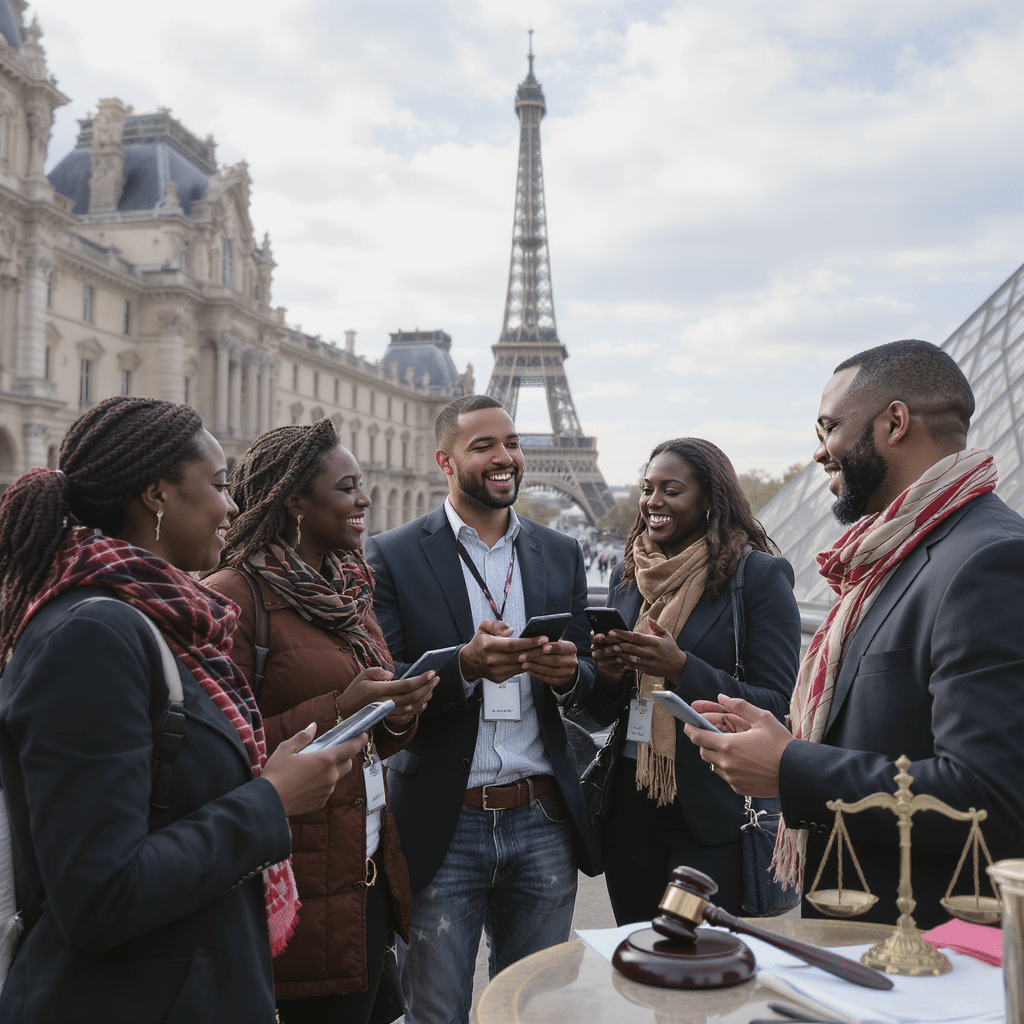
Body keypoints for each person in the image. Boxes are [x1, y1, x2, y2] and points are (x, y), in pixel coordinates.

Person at [0, 397, 363, 1024]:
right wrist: (270, 800)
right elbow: (100, 897)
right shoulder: (92, 635)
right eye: (219, 485)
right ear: (157, 495)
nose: (233, 507)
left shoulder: (157, 619)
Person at [687, 340, 1024, 928]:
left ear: (895, 422)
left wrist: (790, 766)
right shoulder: (894, 556)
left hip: (925, 947)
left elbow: (989, 797)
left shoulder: (987, 562)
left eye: (830, 427)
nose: (819, 451)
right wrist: (782, 736)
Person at [363, 394, 600, 1024]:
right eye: (484, 446)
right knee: (435, 1013)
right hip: (446, 820)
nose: (506, 457)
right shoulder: (391, 554)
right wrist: (463, 667)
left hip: (542, 816)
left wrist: (570, 674)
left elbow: (592, 678)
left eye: (512, 443)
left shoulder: (560, 551)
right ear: (445, 461)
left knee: (532, 1011)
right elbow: (386, 684)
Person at [206, 420, 436, 1024]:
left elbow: (369, 739)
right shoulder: (233, 595)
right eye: (347, 487)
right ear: (296, 503)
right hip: (295, 877)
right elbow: (218, 750)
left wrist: (396, 714)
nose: (365, 499)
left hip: (364, 869)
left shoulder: (349, 589)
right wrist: (342, 710)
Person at [587, 438, 800, 922]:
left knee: (695, 949)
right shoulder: (629, 577)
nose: (653, 501)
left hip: (710, 817)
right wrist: (610, 673)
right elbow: (603, 710)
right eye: (647, 489)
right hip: (630, 813)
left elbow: (774, 702)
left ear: (709, 499)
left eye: (672, 490)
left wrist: (682, 668)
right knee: (640, 948)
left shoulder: (758, 577)